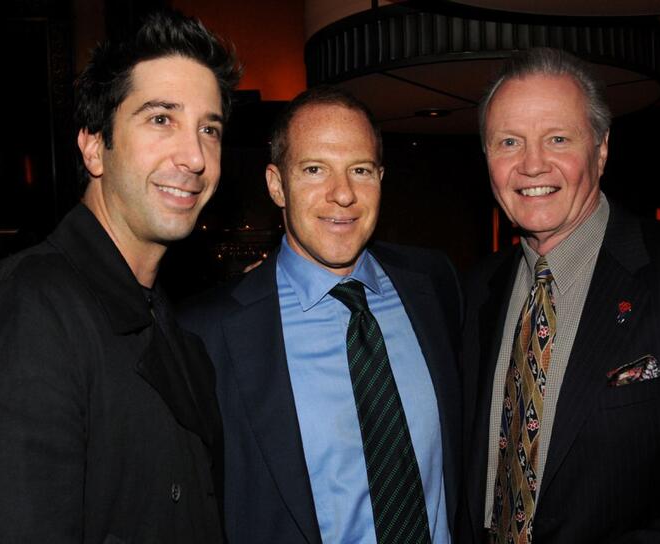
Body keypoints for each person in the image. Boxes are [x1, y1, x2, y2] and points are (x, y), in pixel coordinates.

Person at [458, 47, 660, 543]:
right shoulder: (476, 289)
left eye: (558, 139)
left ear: (602, 148)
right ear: (487, 157)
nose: (531, 164)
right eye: (508, 142)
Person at [0, 11, 240, 542]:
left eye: (210, 128)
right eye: (162, 118)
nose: (195, 155)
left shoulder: (173, 328)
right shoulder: (25, 310)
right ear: (94, 145)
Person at [180, 86, 462, 543]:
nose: (343, 195)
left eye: (360, 170)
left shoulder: (434, 284)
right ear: (276, 185)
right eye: (315, 169)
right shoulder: (209, 332)